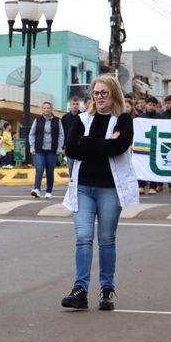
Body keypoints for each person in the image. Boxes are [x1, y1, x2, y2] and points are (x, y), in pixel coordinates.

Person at [61, 75, 137, 311]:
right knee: (83, 238)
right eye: (96, 93)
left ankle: (106, 290)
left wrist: (87, 143)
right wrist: (104, 145)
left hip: (110, 189)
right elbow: (71, 148)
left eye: (104, 92)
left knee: (106, 239)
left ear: (114, 94)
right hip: (83, 188)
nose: (100, 97)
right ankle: (80, 290)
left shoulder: (123, 119)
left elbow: (120, 146)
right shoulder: (83, 119)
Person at [28, 101, 64, 199]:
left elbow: (61, 135)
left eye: (48, 108)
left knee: (50, 170)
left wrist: (59, 147)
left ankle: (48, 191)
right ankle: (37, 189)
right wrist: (32, 147)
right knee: (39, 168)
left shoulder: (57, 120)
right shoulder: (37, 120)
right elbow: (32, 134)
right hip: (39, 149)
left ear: (51, 109)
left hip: (52, 150)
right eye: (44, 108)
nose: (46, 110)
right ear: (42, 109)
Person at [61, 97, 82, 176]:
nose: (75, 106)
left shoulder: (83, 116)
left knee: (80, 168)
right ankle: (72, 183)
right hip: (69, 147)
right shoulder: (65, 118)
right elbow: (62, 134)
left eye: (77, 104)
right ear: (70, 105)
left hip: (81, 147)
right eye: (73, 104)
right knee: (71, 168)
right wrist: (63, 147)